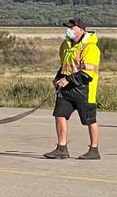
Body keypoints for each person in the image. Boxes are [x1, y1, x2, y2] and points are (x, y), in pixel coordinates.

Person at [44, 18, 102, 160]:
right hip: (66, 89)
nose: (68, 30)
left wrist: (68, 79)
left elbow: (88, 73)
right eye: (67, 27)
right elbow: (65, 65)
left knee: (89, 120)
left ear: (81, 30)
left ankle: (94, 150)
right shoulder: (65, 45)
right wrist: (58, 78)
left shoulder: (91, 48)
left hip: (84, 89)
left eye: (71, 27)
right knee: (60, 115)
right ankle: (61, 148)